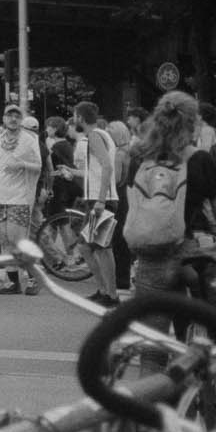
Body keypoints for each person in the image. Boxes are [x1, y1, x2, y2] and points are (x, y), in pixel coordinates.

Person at [124, 92, 216, 302]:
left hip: (151, 255)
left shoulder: (140, 157)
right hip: (189, 251)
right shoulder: (200, 159)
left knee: (153, 318)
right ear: (193, 123)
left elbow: (134, 206)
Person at [69, 102, 122, 305]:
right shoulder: (103, 134)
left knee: (101, 247)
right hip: (100, 197)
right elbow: (105, 168)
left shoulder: (93, 136)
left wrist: (100, 199)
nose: (74, 119)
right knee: (87, 246)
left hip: (101, 199)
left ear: (80, 118)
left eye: (75, 116)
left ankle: (111, 294)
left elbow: (107, 166)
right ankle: (104, 290)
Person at [0, 105, 43, 295]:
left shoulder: (30, 139)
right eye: (9, 115)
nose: (13, 119)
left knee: (18, 241)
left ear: (21, 120)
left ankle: (34, 278)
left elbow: (38, 166)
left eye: (16, 116)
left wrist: (21, 164)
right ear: (4, 118)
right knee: (5, 241)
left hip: (20, 197)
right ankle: (13, 283)